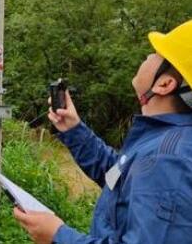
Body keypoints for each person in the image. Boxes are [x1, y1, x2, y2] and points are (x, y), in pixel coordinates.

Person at [14, 20, 192, 244]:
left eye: (157, 53)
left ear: (164, 84)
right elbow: (118, 177)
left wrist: (58, 236)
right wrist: (74, 130)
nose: (148, 56)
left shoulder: (169, 160)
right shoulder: (161, 140)